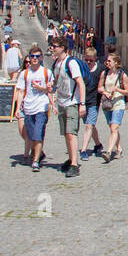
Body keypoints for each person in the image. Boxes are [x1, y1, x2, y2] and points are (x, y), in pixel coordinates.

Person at [49, 37, 87, 177]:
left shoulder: (71, 63)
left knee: (71, 133)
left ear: (63, 48)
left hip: (72, 102)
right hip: (61, 102)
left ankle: (74, 165)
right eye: (52, 46)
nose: (53, 48)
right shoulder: (56, 63)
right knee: (66, 133)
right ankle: (71, 158)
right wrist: (52, 86)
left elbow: (80, 83)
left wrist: (82, 104)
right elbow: (57, 80)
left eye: (55, 46)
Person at [14, 44, 52, 172]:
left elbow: (51, 89)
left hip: (42, 106)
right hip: (28, 107)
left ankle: (35, 161)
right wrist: (17, 108)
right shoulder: (24, 74)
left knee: (38, 134)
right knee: (29, 135)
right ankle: (38, 153)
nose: (35, 58)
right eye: (32, 56)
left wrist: (42, 89)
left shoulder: (46, 72)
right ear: (29, 58)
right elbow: (20, 91)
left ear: (41, 58)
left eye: (37, 56)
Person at [98, 51, 128, 162]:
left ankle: (108, 152)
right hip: (107, 103)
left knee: (114, 128)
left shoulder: (122, 75)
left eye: (109, 61)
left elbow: (127, 92)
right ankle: (119, 149)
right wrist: (105, 92)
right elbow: (99, 88)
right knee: (113, 129)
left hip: (118, 103)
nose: (107, 62)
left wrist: (117, 90)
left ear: (116, 62)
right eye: (106, 61)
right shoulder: (104, 74)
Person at [79, 46, 104, 160]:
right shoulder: (81, 69)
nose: (88, 62)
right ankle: (98, 145)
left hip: (94, 101)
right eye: (86, 60)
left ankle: (83, 150)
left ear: (96, 59)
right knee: (90, 125)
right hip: (83, 101)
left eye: (91, 60)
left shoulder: (101, 69)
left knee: (89, 125)